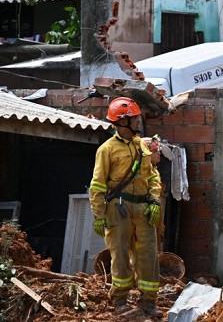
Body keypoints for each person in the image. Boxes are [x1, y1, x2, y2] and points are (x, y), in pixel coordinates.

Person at [89, 97, 162, 318]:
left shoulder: (142, 147)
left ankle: (148, 302)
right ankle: (120, 300)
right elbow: (97, 184)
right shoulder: (106, 149)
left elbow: (152, 177)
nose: (138, 121)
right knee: (119, 254)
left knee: (149, 255)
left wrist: (154, 200)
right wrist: (99, 215)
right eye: (134, 118)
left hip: (143, 209)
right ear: (122, 122)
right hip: (118, 208)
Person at [141, 135, 166, 252]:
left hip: (156, 216)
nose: (159, 153)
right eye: (155, 151)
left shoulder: (154, 170)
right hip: (145, 216)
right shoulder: (142, 172)